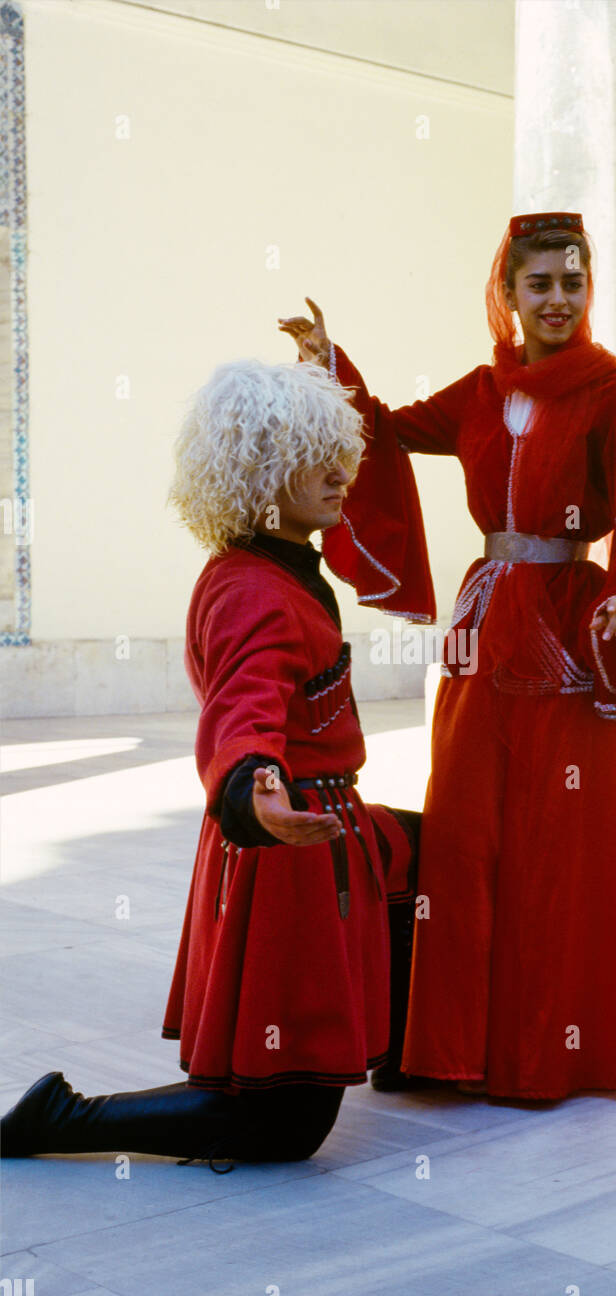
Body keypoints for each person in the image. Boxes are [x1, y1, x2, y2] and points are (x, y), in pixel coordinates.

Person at [277, 210, 616, 1103]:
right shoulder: (478, 393)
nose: (557, 298)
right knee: (467, 833)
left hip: (567, 634)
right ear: (506, 294)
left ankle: (548, 1051)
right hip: (483, 632)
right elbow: (382, 432)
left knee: (555, 837)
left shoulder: (613, 396)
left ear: (587, 290)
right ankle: (454, 1047)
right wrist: (327, 363)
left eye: (571, 281)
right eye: (538, 282)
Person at [0, 358, 426, 1168]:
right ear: (260, 469)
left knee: (431, 853)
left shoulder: (279, 562)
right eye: (313, 455)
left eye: (340, 448)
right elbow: (244, 703)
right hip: (288, 850)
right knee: (284, 1129)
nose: (341, 472)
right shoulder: (254, 589)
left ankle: (405, 1050)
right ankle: (64, 1117)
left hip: (325, 828)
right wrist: (252, 783)